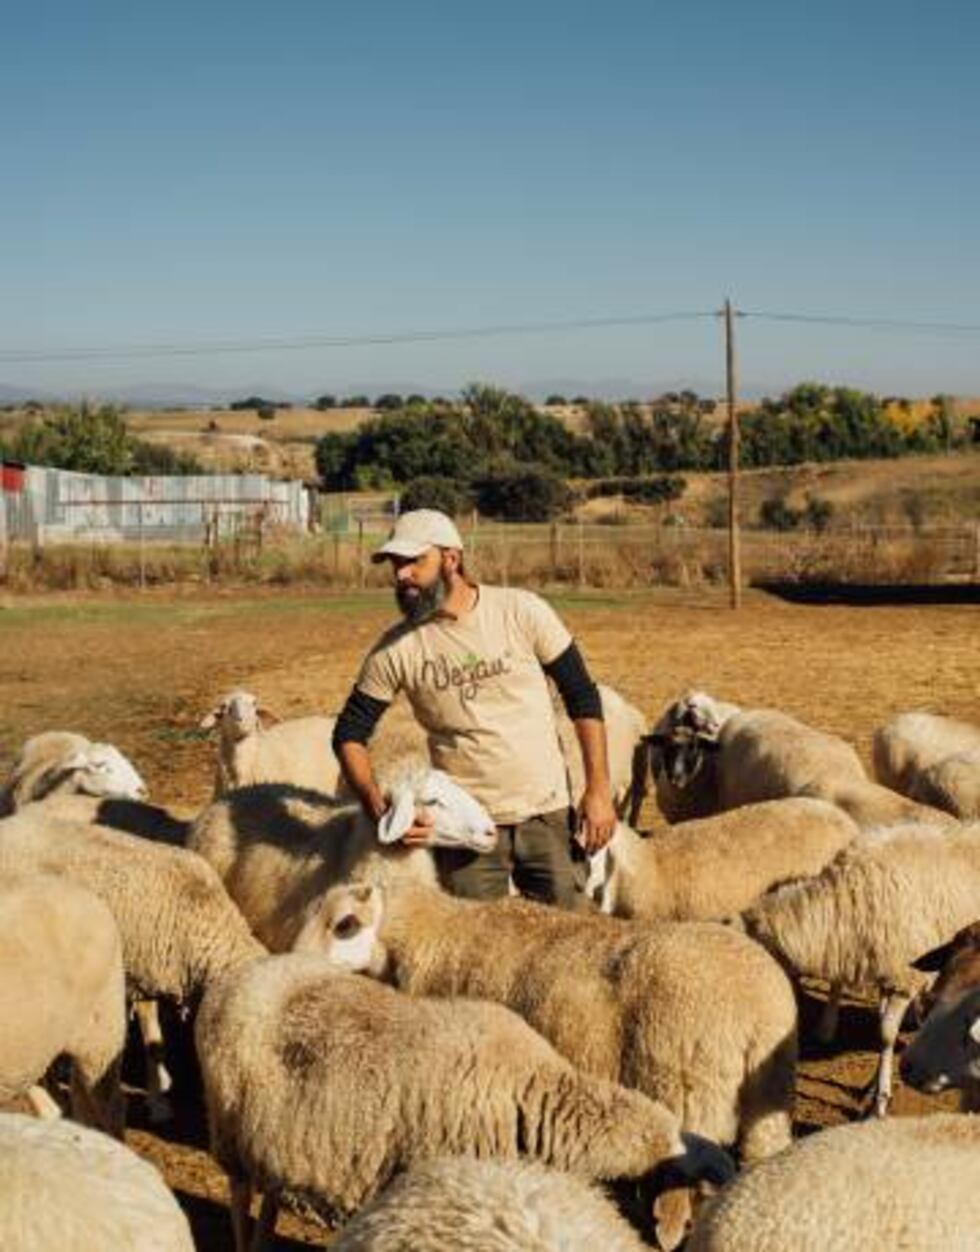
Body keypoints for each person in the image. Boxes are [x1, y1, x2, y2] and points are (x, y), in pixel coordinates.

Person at [332, 508, 616, 910]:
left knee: (571, 942)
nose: (401, 575)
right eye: (396, 564)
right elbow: (349, 734)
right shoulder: (396, 650)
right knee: (481, 954)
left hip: (546, 813)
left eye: (414, 561)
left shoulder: (521, 611)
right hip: (463, 830)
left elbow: (582, 695)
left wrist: (599, 789)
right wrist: (381, 811)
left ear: (451, 558)